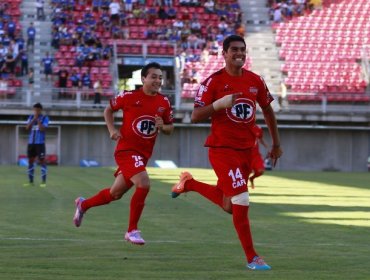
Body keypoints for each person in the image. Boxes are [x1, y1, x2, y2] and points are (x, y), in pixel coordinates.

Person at [171, 35, 282, 271]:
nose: (239, 53)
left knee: (230, 205)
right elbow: (195, 116)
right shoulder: (212, 82)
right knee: (241, 198)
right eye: (234, 50)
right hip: (222, 149)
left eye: (242, 49)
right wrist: (219, 104)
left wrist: (276, 144)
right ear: (224, 53)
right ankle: (252, 258)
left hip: (245, 151)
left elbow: (268, 111)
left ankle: (189, 184)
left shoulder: (256, 81)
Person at [73, 62, 174, 245]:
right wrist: (112, 130)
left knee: (115, 194)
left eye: (160, 77)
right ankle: (132, 230)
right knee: (143, 184)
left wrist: (163, 126)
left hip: (143, 155)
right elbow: (108, 110)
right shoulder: (128, 97)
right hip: (126, 150)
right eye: (153, 77)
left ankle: (83, 204)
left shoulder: (164, 102)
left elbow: (170, 128)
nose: (158, 81)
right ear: (143, 78)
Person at [24, 103, 49, 188]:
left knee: (42, 161)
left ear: (40, 110)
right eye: (34, 110)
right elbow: (27, 128)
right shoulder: (31, 117)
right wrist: (33, 120)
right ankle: (31, 181)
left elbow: (42, 129)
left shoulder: (45, 118)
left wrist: (37, 120)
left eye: (37, 110)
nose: (36, 112)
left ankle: (43, 181)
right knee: (30, 161)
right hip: (31, 143)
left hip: (40, 143)